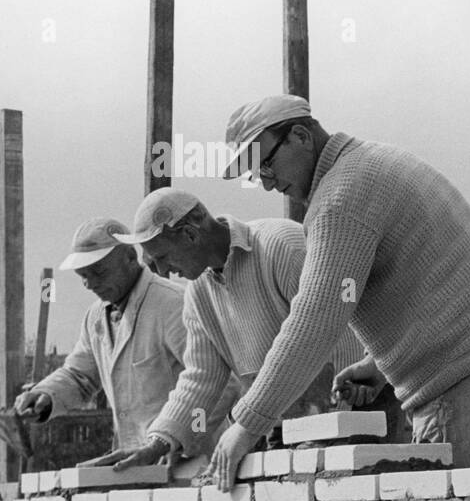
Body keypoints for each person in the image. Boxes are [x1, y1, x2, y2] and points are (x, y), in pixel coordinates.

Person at [206, 94, 470, 486]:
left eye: (265, 162)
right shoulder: (373, 161)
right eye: (253, 173)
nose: (265, 182)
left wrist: (245, 425)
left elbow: (314, 324)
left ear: (300, 135)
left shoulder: (339, 199)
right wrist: (381, 364)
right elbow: (431, 274)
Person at [92, 188, 363, 468]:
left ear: (190, 234)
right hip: (282, 425)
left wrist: (337, 416)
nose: (162, 271)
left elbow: (339, 331)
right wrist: (160, 442)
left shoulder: (282, 247)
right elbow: (202, 377)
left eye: (162, 257)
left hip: (356, 412)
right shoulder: (198, 295)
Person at [12, 217, 187, 456]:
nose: (88, 283)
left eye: (98, 271)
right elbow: (79, 376)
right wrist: (46, 395)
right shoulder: (96, 317)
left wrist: (177, 438)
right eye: (82, 274)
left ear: (129, 257)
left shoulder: (173, 305)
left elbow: (216, 384)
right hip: (136, 461)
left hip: (188, 459)